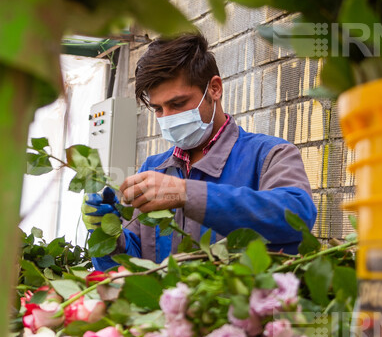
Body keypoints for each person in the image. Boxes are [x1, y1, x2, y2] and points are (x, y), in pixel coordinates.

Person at [82, 32, 317, 271]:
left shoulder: (269, 155)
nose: (167, 118)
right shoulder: (153, 168)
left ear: (214, 89)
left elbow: (297, 216)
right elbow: (128, 268)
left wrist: (186, 193)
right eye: (158, 109)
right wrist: (107, 234)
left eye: (178, 104)